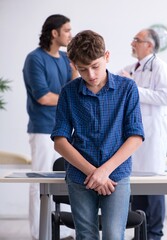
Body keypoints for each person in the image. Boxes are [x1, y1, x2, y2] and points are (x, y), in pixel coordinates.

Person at [51, 29, 144, 240]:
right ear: (73, 65)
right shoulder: (68, 92)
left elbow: (135, 136)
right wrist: (94, 173)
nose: (91, 75)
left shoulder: (127, 88)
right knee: (86, 235)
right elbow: (60, 141)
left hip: (116, 176)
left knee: (113, 235)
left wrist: (104, 172)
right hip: (79, 176)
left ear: (107, 57)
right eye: (83, 69)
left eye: (95, 66)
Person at [23, 14, 77, 240]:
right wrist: (68, 97)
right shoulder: (35, 59)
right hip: (43, 128)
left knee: (63, 182)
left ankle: (60, 230)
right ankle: (39, 233)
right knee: (40, 182)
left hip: (65, 129)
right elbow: (44, 97)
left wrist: (74, 64)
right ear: (54, 33)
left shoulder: (66, 58)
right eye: (66, 30)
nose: (70, 35)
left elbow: (75, 86)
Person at [118, 28, 167, 240]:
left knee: (154, 188)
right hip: (134, 135)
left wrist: (133, 86)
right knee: (137, 186)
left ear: (148, 45)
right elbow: (113, 79)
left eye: (136, 40)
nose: (132, 43)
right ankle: (140, 234)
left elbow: (166, 97)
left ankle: (155, 234)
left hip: (152, 136)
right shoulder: (133, 67)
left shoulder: (160, 67)